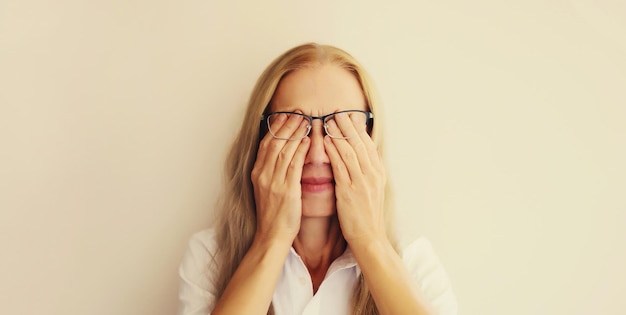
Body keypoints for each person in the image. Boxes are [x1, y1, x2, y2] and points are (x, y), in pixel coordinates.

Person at [177, 43, 458, 315]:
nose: (317, 155)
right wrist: (271, 240)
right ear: (261, 140)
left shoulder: (413, 261)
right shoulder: (209, 257)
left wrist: (369, 240)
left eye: (342, 125)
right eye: (292, 126)